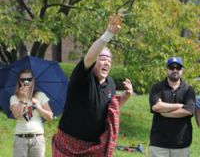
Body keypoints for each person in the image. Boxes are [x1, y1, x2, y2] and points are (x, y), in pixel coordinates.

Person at [52, 14, 133, 156]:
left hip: (93, 148)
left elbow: (106, 110)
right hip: (67, 143)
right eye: (102, 58)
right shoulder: (83, 77)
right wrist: (108, 34)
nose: (107, 62)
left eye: (109, 60)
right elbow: (89, 57)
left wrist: (125, 97)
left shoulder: (110, 84)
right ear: (95, 61)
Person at [149, 57, 196, 157]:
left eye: (178, 67)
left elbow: (188, 111)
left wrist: (165, 112)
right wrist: (180, 105)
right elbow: (156, 107)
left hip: (181, 144)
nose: (175, 70)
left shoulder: (189, 90)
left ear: (182, 70)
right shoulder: (157, 87)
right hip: (158, 143)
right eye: (171, 67)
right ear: (167, 69)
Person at [10, 69, 53, 157]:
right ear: (19, 81)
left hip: (37, 137)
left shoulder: (40, 95)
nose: (26, 81)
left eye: (29, 79)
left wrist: (38, 106)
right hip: (20, 138)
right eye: (23, 79)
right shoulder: (14, 98)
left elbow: (50, 117)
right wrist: (22, 99)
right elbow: (16, 115)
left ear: (33, 81)